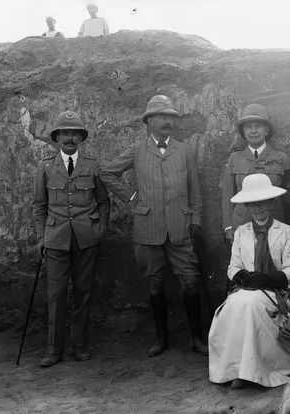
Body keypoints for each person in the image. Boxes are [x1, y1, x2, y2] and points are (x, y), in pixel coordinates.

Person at [99, 95, 208, 357]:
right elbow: (106, 173)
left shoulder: (183, 150)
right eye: (162, 116)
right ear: (149, 122)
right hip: (148, 228)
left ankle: (196, 338)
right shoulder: (138, 150)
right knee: (155, 284)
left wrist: (195, 220)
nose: (168, 121)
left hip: (180, 228)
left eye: (171, 116)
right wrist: (132, 198)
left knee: (190, 281)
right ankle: (162, 339)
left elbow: (195, 192)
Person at [209, 174, 290, 389]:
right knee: (233, 305)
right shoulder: (242, 232)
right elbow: (233, 266)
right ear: (246, 205)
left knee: (251, 305)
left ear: (271, 203)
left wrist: (270, 277)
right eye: (253, 204)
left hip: (276, 289)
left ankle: (252, 372)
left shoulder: (285, 231)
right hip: (248, 288)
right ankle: (235, 368)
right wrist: (241, 276)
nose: (258, 208)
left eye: (262, 202)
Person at [32, 110, 110, 367]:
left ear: (81, 139)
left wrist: (99, 229)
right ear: (57, 138)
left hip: (86, 239)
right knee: (56, 295)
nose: (69, 138)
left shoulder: (92, 166)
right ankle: (54, 351)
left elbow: (103, 201)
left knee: (83, 293)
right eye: (64, 133)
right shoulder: (45, 167)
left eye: (74, 134)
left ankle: (79, 346)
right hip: (56, 240)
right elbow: (39, 206)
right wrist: (43, 236)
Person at [220, 104, 290, 243]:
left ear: (267, 130)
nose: (254, 131)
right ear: (243, 132)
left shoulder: (283, 158)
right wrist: (228, 227)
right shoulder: (234, 159)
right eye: (249, 127)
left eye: (258, 126)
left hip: (275, 225)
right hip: (241, 225)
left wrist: (289, 226)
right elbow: (227, 196)